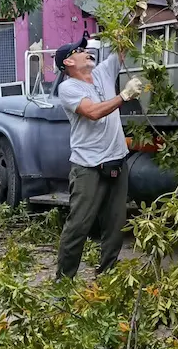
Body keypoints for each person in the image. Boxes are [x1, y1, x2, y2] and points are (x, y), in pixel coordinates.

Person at [54, 35, 144, 279]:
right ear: (68, 62)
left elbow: (123, 42)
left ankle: (107, 275)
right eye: (79, 51)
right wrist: (123, 96)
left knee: (116, 225)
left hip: (117, 160)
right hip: (88, 166)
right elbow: (92, 112)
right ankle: (64, 280)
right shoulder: (68, 88)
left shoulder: (103, 72)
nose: (86, 52)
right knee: (79, 224)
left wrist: (134, 18)